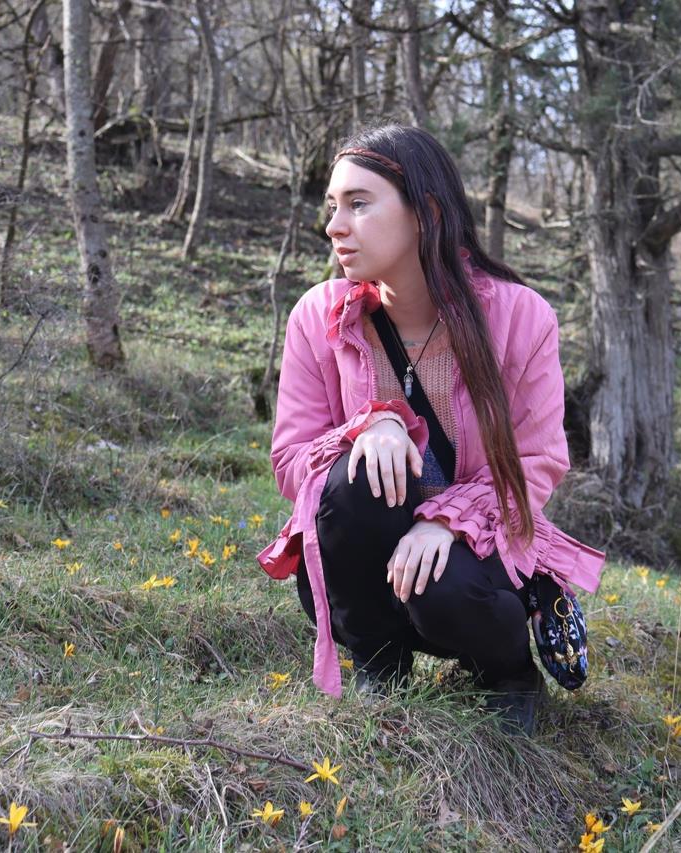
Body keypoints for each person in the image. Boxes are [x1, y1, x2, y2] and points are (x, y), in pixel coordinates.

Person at [256, 124, 605, 735]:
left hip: (474, 559)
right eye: (333, 206)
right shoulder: (318, 315)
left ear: (427, 214)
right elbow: (290, 461)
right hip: (366, 567)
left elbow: (537, 465)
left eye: (359, 204)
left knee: (444, 589)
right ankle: (379, 666)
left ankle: (507, 675)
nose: (335, 226)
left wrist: (447, 522)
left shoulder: (520, 318)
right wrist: (371, 427)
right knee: (351, 475)